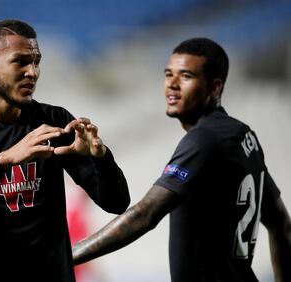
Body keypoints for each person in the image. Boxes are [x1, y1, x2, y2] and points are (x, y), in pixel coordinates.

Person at [0, 19, 130, 282]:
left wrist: (100, 157)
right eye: (21, 61)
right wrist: (3, 160)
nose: (33, 72)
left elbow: (116, 202)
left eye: (36, 61)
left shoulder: (54, 120)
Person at [72, 38, 291, 281]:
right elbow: (281, 223)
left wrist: (65, 255)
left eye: (186, 76)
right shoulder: (241, 135)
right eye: (169, 75)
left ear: (215, 87)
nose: (172, 85)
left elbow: (144, 214)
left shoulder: (203, 140)